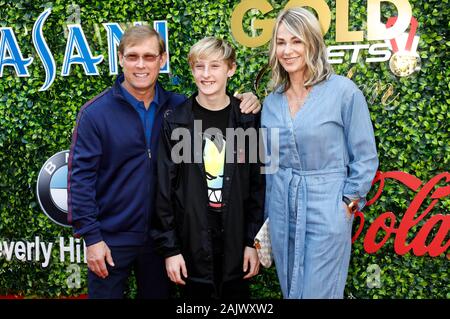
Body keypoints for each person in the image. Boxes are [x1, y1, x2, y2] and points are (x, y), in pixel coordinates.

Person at [67, 25, 261, 299]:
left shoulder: (178, 108)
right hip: (112, 239)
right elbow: (80, 179)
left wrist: (246, 101)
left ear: (162, 59)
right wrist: (92, 237)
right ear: (120, 58)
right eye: (132, 57)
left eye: (149, 56)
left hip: (161, 243)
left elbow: (217, 109)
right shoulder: (95, 114)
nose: (141, 65)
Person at [261, 7, 379, 299]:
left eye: (296, 41)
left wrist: (347, 207)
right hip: (281, 209)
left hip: (327, 211)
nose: (287, 50)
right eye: (280, 42)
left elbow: (365, 157)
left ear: (313, 43)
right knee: (290, 291)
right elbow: (269, 164)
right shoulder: (271, 102)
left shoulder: (344, 92)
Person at [152, 37, 265, 299]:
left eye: (215, 66)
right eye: (199, 66)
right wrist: (170, 250)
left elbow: (260, 186)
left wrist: (252, 242)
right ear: (192, 70)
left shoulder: (249, 119)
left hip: (237, 245)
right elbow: (163, 192)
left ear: (231, 69)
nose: (206, 74)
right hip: (191, 246)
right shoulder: (176, 122)